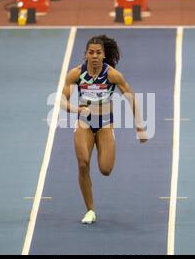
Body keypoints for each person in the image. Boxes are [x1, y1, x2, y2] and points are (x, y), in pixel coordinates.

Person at [61, 35, 148, 224]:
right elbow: (61, 100)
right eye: (91, 52)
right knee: (83, 163)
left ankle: (105, 143)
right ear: (85, 55)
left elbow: (131, 97)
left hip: (105, 124)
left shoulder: (112, 75)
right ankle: (90, 210)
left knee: (105, 169)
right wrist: (76, 109)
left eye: (98, 53)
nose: (94, 56)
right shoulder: (76, 74)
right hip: (83, 123)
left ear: (103, 55)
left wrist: (140, 126)